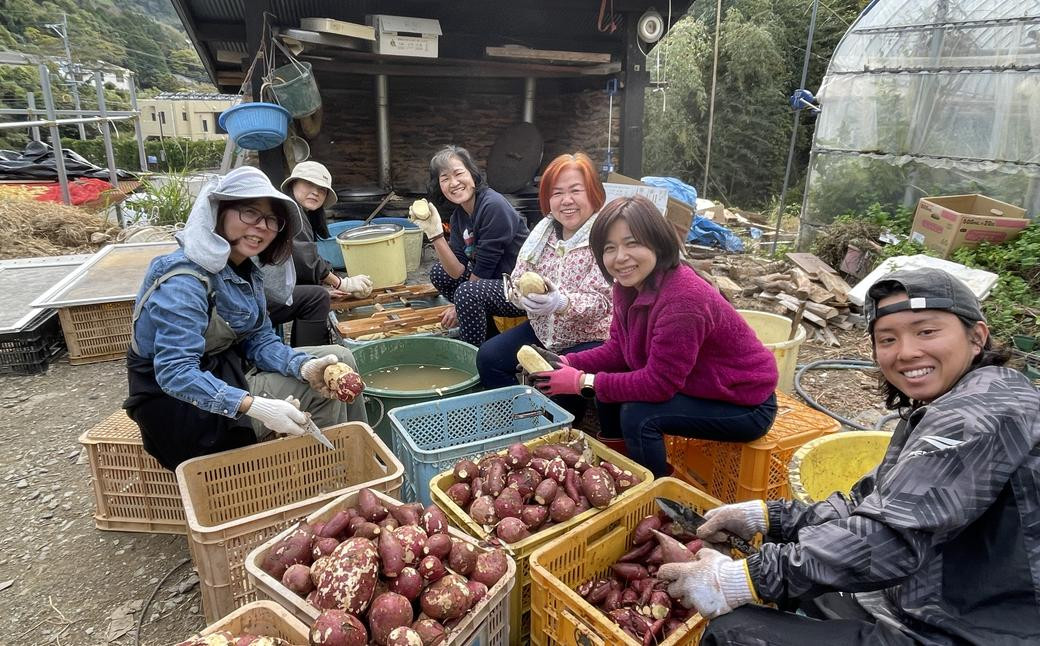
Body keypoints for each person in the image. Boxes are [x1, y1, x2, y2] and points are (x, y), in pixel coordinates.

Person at [657, 268, 1040, 646]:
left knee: (732, 633)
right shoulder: (947, 403)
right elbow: (868, 505)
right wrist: (768, 516)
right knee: (783, 562)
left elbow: (889, 539)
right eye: (888, 339)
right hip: (923, 594)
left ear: (977, 337)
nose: (906, 352)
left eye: (927, 331)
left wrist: (743, 579)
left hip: (965, 630)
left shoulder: (980, 412)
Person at [124, 167, 368, 471]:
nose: (261, 227)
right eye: (250, 213)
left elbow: (259, 339)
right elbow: (175, 374)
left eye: (271, 220)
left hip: (226, 368)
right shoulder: (185, 280)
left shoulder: (245, 270)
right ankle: (323, 478)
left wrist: (303, 366)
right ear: (221, 212)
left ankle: (359, 456)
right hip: (179, 405)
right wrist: (255, 406)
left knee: (338, 362)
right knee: (319, 396)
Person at [529, 195, 778, 476]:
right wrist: (567, 362)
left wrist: (580, 382)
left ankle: (656, 495)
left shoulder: (684, 300)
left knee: (639, 414)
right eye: (609, 248)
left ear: (658, 242)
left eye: (632, 243)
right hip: (698, 386)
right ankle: (617, 467)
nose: (620, 258)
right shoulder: (627, 286)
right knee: (608, 389)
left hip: (744, 403)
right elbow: (619, 351)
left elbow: (660, 385)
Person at [476, 152, 612, 419]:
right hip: (543, 331)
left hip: (588, 337)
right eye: (557, 192)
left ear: (594, 193)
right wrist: (519, 297)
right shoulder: (543, 232)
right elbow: (519, 276)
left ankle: (555, 429)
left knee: (555, 388)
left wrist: (561, 303)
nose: (566, 201)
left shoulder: (605, 235)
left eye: (575, 190)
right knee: (489, 358)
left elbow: (603, 301)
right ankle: (518, 418)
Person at [409, 145, 529, 346]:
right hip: (491, 283)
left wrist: (458, 305)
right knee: (439, 273)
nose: (453, 183)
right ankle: (486, 326)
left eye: (458, 173)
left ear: (472, 175)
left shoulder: (493, 206)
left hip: (517, 288)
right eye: (445, 178)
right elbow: (456, 271)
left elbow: (483, 268)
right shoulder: (459, 217)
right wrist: (435, 234)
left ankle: (473, 356)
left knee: (467, 294)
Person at [265, 161, 373, 346]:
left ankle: (303, 352)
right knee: (317, 298)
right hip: (259, 296)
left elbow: (306, 258)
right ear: (293, 184)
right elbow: (303, 260)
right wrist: (342, 283)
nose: (315, 192)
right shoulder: (288, 211)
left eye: (321, 189)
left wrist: (327, 283)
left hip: (270, 289)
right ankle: (311, 358)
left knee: (317, 293)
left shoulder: (295, 211)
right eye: (309, 184)